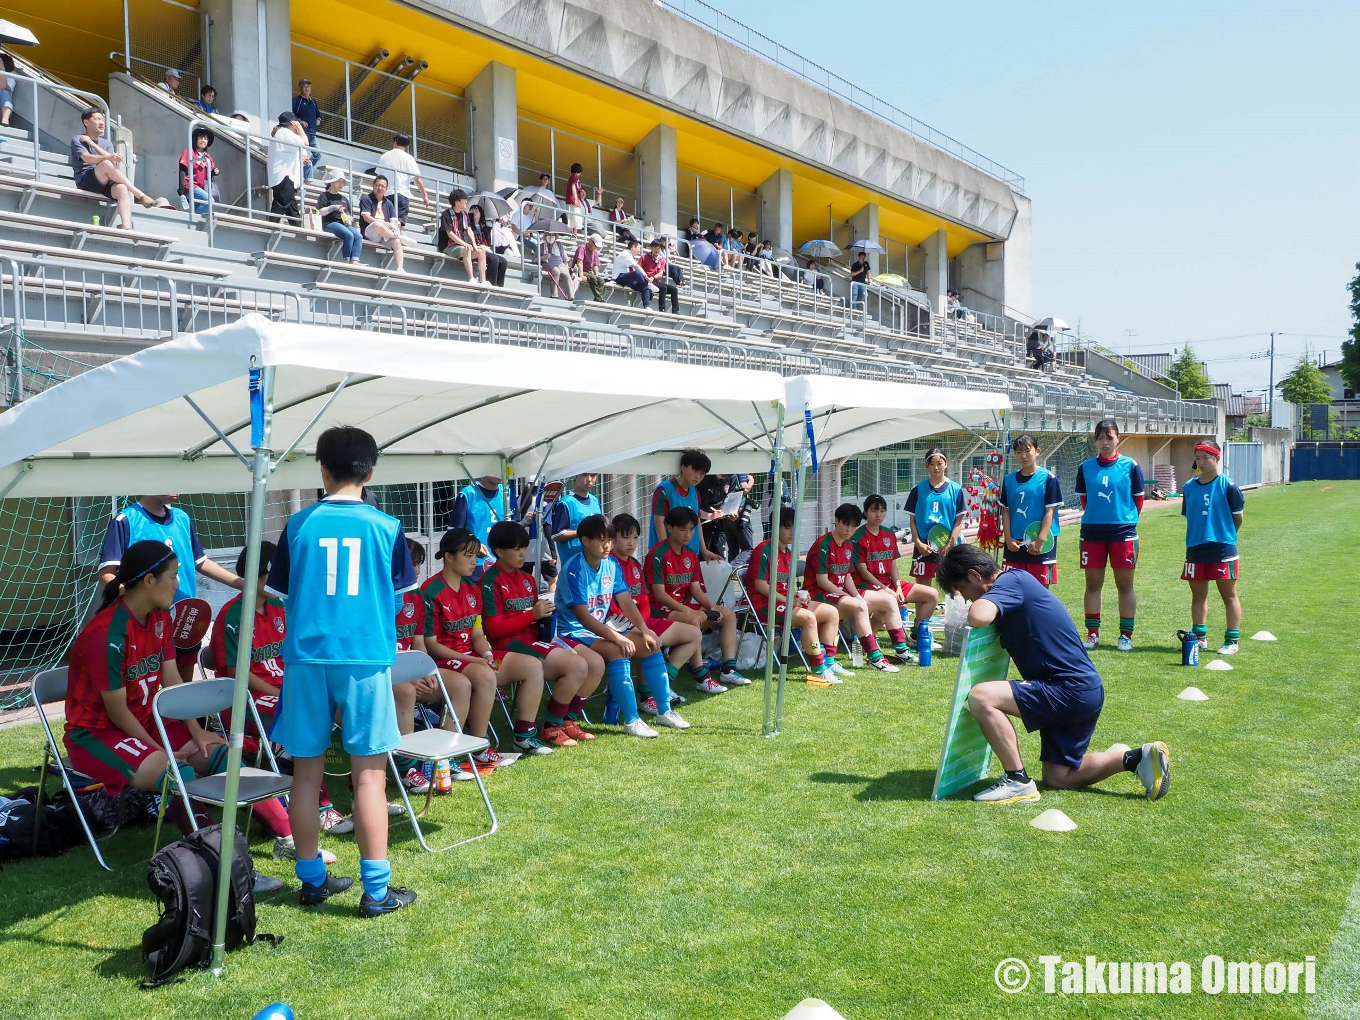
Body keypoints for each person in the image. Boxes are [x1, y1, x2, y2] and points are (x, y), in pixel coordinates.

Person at [67, 542, 296, 891]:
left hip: (147, 722)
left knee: (220, 753)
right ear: (148, 581)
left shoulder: (159, 617)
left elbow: (174, 682)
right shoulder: (105, 635)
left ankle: (288, 837)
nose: (178, 583)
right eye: (173, 577)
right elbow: (116, 711)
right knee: (180, 772)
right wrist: (167, 752)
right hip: (99, 735)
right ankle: (226, 869)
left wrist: (196, 730)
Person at [266, 425, 419, 916]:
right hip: (364, 659)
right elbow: (397, 596)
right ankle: (376, 892)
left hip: (307, 659)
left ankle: (312, 881)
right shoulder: (388, 528)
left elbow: (284, 591)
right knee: (369, 778)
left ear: (323, 469)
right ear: (370, 471)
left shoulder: (298, 526)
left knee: (305, 777)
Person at [938, 545, 1170, 805]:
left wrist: (979, 604)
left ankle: (1017, 780)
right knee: (1059, 777)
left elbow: (979, 616)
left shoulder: (1010, 581)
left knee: (981, 696)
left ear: (974, 575)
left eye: (962, 592)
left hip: (1068, 689)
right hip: (1083, 690)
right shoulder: (1016, 581)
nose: (967, 600)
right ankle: (1136, 758)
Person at [209, 542, 341, 863]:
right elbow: (237, 677)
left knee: (333, 703)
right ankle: (319, 807)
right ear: (257, 575)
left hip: (283, 693)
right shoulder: (231, 617)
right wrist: (283, 694)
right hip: (248, 702)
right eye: (276, 575)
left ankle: (346, 786)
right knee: (303, 716)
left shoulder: (279, 609)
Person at [423, 528, 552, 764]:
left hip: (473, 657)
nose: (474, 561)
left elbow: (478, 633)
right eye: (467, 555)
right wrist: (476, 660)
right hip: (444, 660)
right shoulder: (430, 591)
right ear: (449, 557)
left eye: (475, 556)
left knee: (532, 666)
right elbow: (431, 646)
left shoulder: (472, 589)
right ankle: (475, 745)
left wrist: (487, 653)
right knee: (484, 675)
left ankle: (523, 735)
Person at [97, 494, 243, 677]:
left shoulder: (182, 518)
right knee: (141, 685)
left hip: (185, 619)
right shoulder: (125, 520)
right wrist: (134, 599)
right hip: (144, 624)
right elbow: (106, 573)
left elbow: (200, 561)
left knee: (180, 689)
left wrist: (242, 584)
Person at [482, 521, 595, 746]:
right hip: (507, 648)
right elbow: (494, 630)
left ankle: (561, 722)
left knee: (587, 664)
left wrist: (543, 616)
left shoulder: (526, 579)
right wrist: (533, 615)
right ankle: (549, 727)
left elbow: (533, 619)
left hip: (532, 642)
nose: (523, 553)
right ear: (499, 551)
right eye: (516, 548)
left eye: (524, 547)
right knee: (577, 666)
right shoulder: (489, 581)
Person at [553, 515, 659, 738]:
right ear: (584, 541)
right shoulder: (574, 569)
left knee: (652, 644)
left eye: (610, 539)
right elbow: (582, 617)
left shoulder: (611, 564)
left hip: (599, 629)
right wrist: (617, 637)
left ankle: (664, 710)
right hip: (571, 632)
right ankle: (631, 720)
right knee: (618, 648)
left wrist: (644, 629)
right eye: (601, 540)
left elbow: (626, 601)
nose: (608, 545)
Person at [610, 513, 699, 723]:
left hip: (642, 621)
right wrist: (641, 629)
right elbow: (611, 607)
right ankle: (648, 696)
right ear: (612, 539)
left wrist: (644, 626)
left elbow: (644, 600)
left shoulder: (634, 564)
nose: (631, 543)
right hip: (619, 626)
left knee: (694, 634)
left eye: (634, 537)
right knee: (649, 644)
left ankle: (664, 683)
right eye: (625, 537)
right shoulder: (609, 564)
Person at [646, 506, 745, 691]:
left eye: (691, 529)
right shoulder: (657, 554)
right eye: (683, 529)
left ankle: (728, 670)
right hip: (659, 610)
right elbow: (659, 595)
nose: (688, 534)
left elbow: (696, 590)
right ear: (670, 528)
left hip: (684, 607)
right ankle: (701, 678)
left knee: (729, 615)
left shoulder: (690, 555)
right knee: (693, 620)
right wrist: (690, 611)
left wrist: (711, 606)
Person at [1074, 418, 1145, 651]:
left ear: (1118, 439)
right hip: (1093, 532)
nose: (1104, 442)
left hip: (1123, 532)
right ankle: (1092, 634)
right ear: (1095, 440)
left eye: (1109, 437)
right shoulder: (1085, 467)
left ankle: (1126, 635)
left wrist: (1123, 518)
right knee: (1093, 585)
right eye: (1100, 438)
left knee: (1125, 586)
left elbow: (1138, 500)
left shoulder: (1130, 465)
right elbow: (1085, 500)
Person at [748, 507, 840, 684]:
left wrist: (797, 596)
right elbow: (760, 586)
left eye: (794, 527)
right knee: (808, 618)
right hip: (764, 605)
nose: (792, 532)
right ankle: (819, 670)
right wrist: (790, 599)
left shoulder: (789, 553)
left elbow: (785, 586)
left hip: (785, 601)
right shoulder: (764, 550)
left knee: (831, 612)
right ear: (775, 527)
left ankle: (829, 663)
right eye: (787, 527)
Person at [805, 504, 901, 674]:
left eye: (854, 525)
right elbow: (822, 581)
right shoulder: (823, 545)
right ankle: (874, 657)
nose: (849, 529)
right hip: (818, 595)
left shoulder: (849, 543)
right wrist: (847, 596)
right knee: (858, 606)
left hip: (839, 594)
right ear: (836, 521)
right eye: (845, 524)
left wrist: (856, 596)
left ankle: (902, 650)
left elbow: (847, 575)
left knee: (888, 600)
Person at [853, 493, 938, 659]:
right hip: (867, 585)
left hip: (889, 584)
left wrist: (897, 586)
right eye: (874, 510)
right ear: (865, 512)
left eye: (882, 511)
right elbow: (863, 572)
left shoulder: (889, 534)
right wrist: (888, 590)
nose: (878, 514)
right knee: (888, 604)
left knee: (932, 595)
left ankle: (915, 635)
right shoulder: (858, 537)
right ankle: (878, 643)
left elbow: (892, 564)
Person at [1180, 442, 1245, 655]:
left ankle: (1231, 641)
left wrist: (1224, 535)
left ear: (1217, 458)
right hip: (1196, 548)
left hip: (1222, 549)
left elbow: (1238, 518)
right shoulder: (1189, 487)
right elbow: (1190, 516)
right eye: (1197, 458)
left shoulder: (1229, 486)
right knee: (1198, 596)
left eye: (1206, 458)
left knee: (1229, 595)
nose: (1201, 462)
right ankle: (1200, 638)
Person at [70, 108, 168, 228]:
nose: (102, 123)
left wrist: (92, 144)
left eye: (103, 119)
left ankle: (126, 227)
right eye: (97, 119)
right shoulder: (78, 139)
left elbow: (112, 161)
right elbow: (87, 158)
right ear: (86, 122)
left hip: (104, 182)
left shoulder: (107, 143)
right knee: (106, 164)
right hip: (86, 180)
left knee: (121, 188)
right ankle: (139, 195)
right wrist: (106, 156)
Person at [1000, 435, 1062, 588]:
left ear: (1037, 451)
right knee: (1012, 588)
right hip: (1015, 542)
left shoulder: (1049, 478)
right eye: (1019, 452)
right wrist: (1008, 538)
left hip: (1040, 542)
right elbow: (1006, 510)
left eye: (1028, 451)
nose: (1023, 456)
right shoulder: (1008, 480)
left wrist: (1040, 539)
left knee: (1039, 591)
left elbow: (1050, 511)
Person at [905, 446, 966, 586]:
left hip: (948, 545)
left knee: (954, 589)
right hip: (924, 547)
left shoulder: (956, 489)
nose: (936, 467)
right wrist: (918, 543)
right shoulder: (917, 490)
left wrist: (950, 543)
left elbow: (959, 520)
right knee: (923, 592)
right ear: (926, 466)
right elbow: (912, 520)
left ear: (946, 464)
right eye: (932, 463)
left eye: (939, 463)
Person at [650, 449, 723, 561]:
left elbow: (697, 522)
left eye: (702, 473)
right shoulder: (664, 490)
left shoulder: (695, 493)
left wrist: (704, 550)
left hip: (690, 556)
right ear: (682, 467)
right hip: (666, 557)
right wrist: (667, 552)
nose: (698, 476)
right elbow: (658, 521)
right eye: (694, 470)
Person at [445, 474, 503, 573]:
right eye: (495, 468)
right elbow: (454, 533)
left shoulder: (507, 493)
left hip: (502, 561)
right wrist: (474, 545)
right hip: (475, 563)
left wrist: (523, 522)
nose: (500, 473)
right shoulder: (468, 494)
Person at [438, 189, 490, 285]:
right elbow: (450, 233)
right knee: (467, 249)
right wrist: (465, 244)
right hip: (449, 246)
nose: (466, 202)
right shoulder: (446, 214)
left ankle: (483, 280)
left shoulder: (464, 214)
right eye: (464, 200)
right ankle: (471, 278)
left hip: (462, 245)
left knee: (481, 251)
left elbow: (469, 229)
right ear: (457, 202)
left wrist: (474, 244)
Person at [549, 472, 602, 567]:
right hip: (573, 567)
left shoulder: (594, 500)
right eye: (585, 475)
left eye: (593, 475)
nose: (589, 479)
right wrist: (583, 532)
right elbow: (556, 535)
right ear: (575, 475)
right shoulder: (566, 502)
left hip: (594, 565)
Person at [268, 111, 309, 224]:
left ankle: (298, 233)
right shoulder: (285, 133)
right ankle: (269, 228)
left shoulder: (282, 133)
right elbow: (305, 142)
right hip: (285, 176)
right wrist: (300, 128)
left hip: (284, 176)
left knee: (292, 209)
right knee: (281, 204)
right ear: (292, 123)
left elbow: (295, 150)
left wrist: (303, 157)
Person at [359, 174, 405, 273]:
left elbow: (393, 221)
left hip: (384, 234)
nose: (380, 188)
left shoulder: (388, 203)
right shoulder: (366, 199)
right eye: (378, 185)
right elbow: (366, 217)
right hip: (370, 232)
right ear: (373, 186)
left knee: (396, 242)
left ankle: (400, 268)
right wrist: (383, 223)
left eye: (383, 186)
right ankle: (398, 236)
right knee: (377, 225)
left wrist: (390, 225)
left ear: (386, 188)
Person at [315, 168, 363, 263]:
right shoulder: (324, 196)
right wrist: (332, 207)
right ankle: (346, 260)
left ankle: (355, 260)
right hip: (329, 222)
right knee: (349, 235)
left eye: (343, 182)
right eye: (339, 181)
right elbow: (320, 212)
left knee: (358, 236)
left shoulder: (344, 198)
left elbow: (349, 214)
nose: (341, 184)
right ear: (332, 182)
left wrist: (349, 219)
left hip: (343, 223)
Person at [377, 131, 429, 208]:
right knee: (400, 219)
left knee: (386, 219)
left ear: (395, 142)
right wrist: (425, 195)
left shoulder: (384, 156)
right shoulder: (409, 158)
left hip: (386, 194)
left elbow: (379, 177)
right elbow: (417, 179)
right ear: (406, 145)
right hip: (402, 194)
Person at [177, 126, 220, 215]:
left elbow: (210, 172)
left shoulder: (207, 156)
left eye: (206, 138)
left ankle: (195, 223)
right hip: (190, 186)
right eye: (200, 137)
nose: (203, 140)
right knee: (210, 201)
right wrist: (181, 187)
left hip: (201, 188)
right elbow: (182, 169)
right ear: (195, 139)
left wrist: (215, 172)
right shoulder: (189, 151)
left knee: (197, 211)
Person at [640, 238, 679, 313]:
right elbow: (639, 270)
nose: (657, 250)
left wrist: (653, 277)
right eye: (655, 247)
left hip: (655, 280)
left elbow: (661, 273)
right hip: (647, 280)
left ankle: (675, 311)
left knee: (674, 289)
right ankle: (662, 309)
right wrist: (647, 278)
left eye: (658, 248)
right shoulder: (644, 258)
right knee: (663, 288)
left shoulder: (661, 260)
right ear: (651, 247)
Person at [609, 237, 651, 307]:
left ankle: (647, 306)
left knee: (644, 287)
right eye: (639, 248)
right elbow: (636, 267)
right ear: (633, 247)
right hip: (618, 277)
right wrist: (647, 277)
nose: (639, 251)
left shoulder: (630, 256)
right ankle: (649, 284)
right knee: (636, 273)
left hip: (626, 279)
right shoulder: (625, 254)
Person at [292, 78, 320, 181]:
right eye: (305, 86)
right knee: (304, 154)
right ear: (301, 88)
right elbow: (291, 115)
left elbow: (318, 114)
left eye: (308, 86)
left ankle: (304, 171)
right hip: (301, 133)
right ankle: (306, 175)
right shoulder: (297, 101)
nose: (307, 88)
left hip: (312, 133)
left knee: (317, 154)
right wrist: (300, 121)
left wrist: (318, 120)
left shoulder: (313, 102)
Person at [571, 232, 607, 301]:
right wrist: (581, 275)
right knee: (593, 278)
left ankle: (597, 297)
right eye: (595, 245)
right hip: (578, 270)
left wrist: (597, 276)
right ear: (590, 241)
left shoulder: (595, 251)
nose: (596, 247)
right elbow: (580, 262)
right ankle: (599, 298)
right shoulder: (582, 248)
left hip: (588, 272)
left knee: (601, 281)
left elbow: (595, 265)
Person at [564, 161, 599, 232]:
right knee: (573, 219)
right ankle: (572, 234)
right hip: (572, 201)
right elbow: (573, 187)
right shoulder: (574, 177)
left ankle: (574, 235)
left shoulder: (573, 178)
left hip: (572, 201)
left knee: (575, 220)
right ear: (578, 171)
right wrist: (576, 199)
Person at [0, 54, 15, 128]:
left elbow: (3, 87)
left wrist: (2, 69)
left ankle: (5, 120)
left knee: (4, 92)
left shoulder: (11, 79)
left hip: (1, 111)